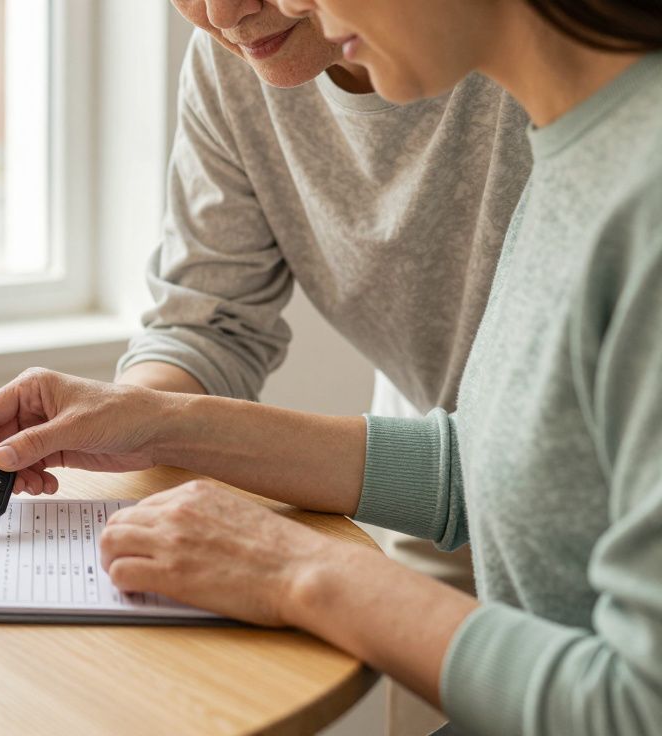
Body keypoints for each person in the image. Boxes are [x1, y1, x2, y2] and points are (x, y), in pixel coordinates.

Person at [0, 0, 662, 732]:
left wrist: (297, 571)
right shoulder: (577, 144)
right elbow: (493, 468)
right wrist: (162, 423)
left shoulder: (628, 182)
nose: (287, 4)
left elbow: (638, 705)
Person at [116, 11, 529, 730]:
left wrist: (299, 572)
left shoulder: (592, 119)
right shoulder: (233, 69)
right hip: (438, 490)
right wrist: (148, 418)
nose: (223, 14)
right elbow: (473, 472)